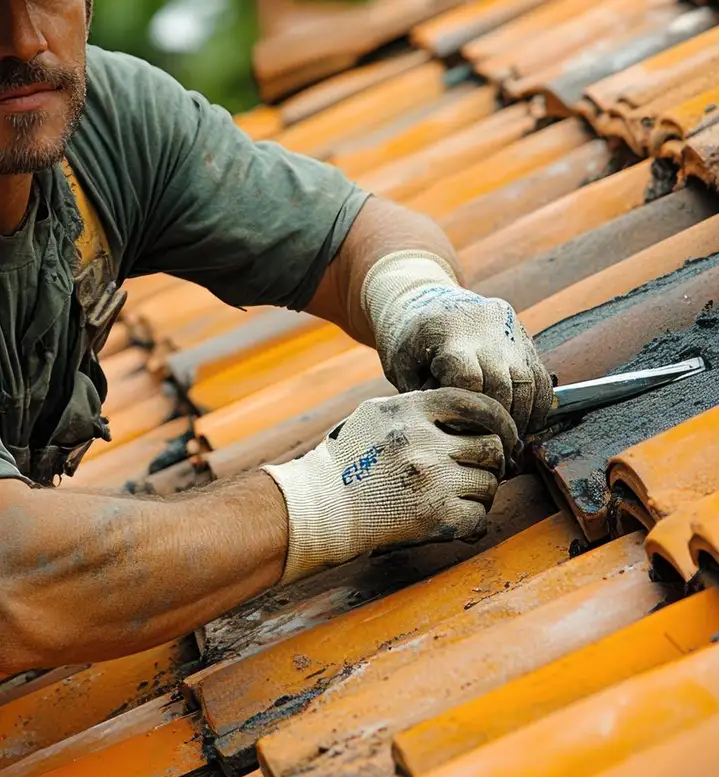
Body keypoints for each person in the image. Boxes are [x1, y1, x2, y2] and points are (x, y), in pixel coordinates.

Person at [0, 0, 553, 672]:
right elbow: (17, 577)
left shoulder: (97, 121)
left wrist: (418, 299)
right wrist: (326, 499)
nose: (25, 40)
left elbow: (354, 235)